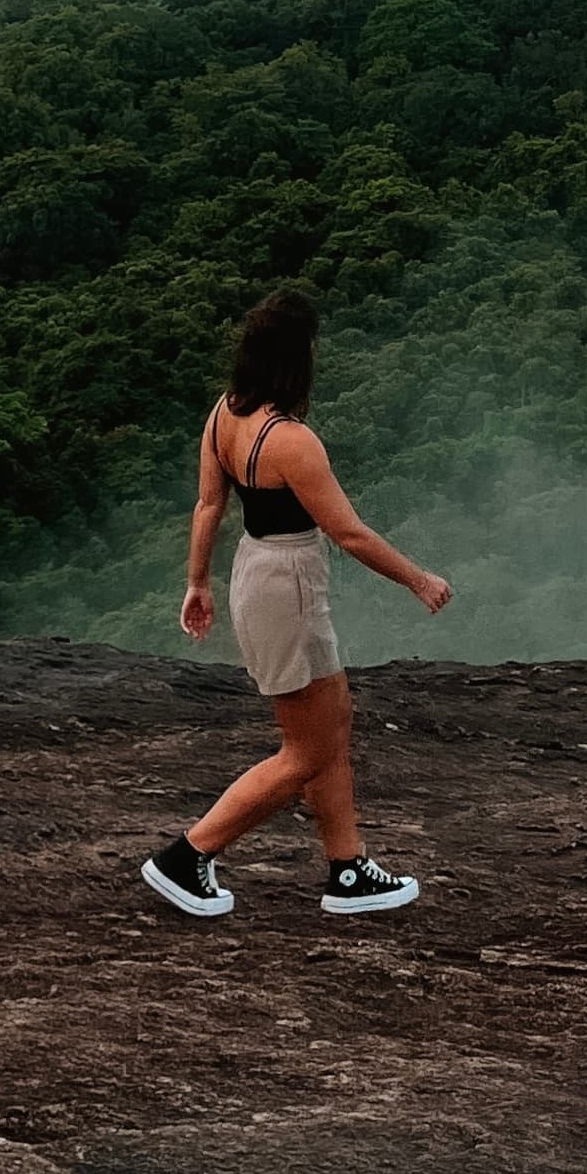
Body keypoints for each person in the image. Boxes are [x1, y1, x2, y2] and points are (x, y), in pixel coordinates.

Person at [142, 287, 450, 922]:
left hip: (255, 569)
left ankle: (346, 867)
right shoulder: (292, 441)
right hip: (289, 583)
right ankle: (188, 854)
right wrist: (418, 580)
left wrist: (197, 582)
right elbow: (349, 533)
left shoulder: (224, 414)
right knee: (304, 750)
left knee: (332, 723)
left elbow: (208, 504)